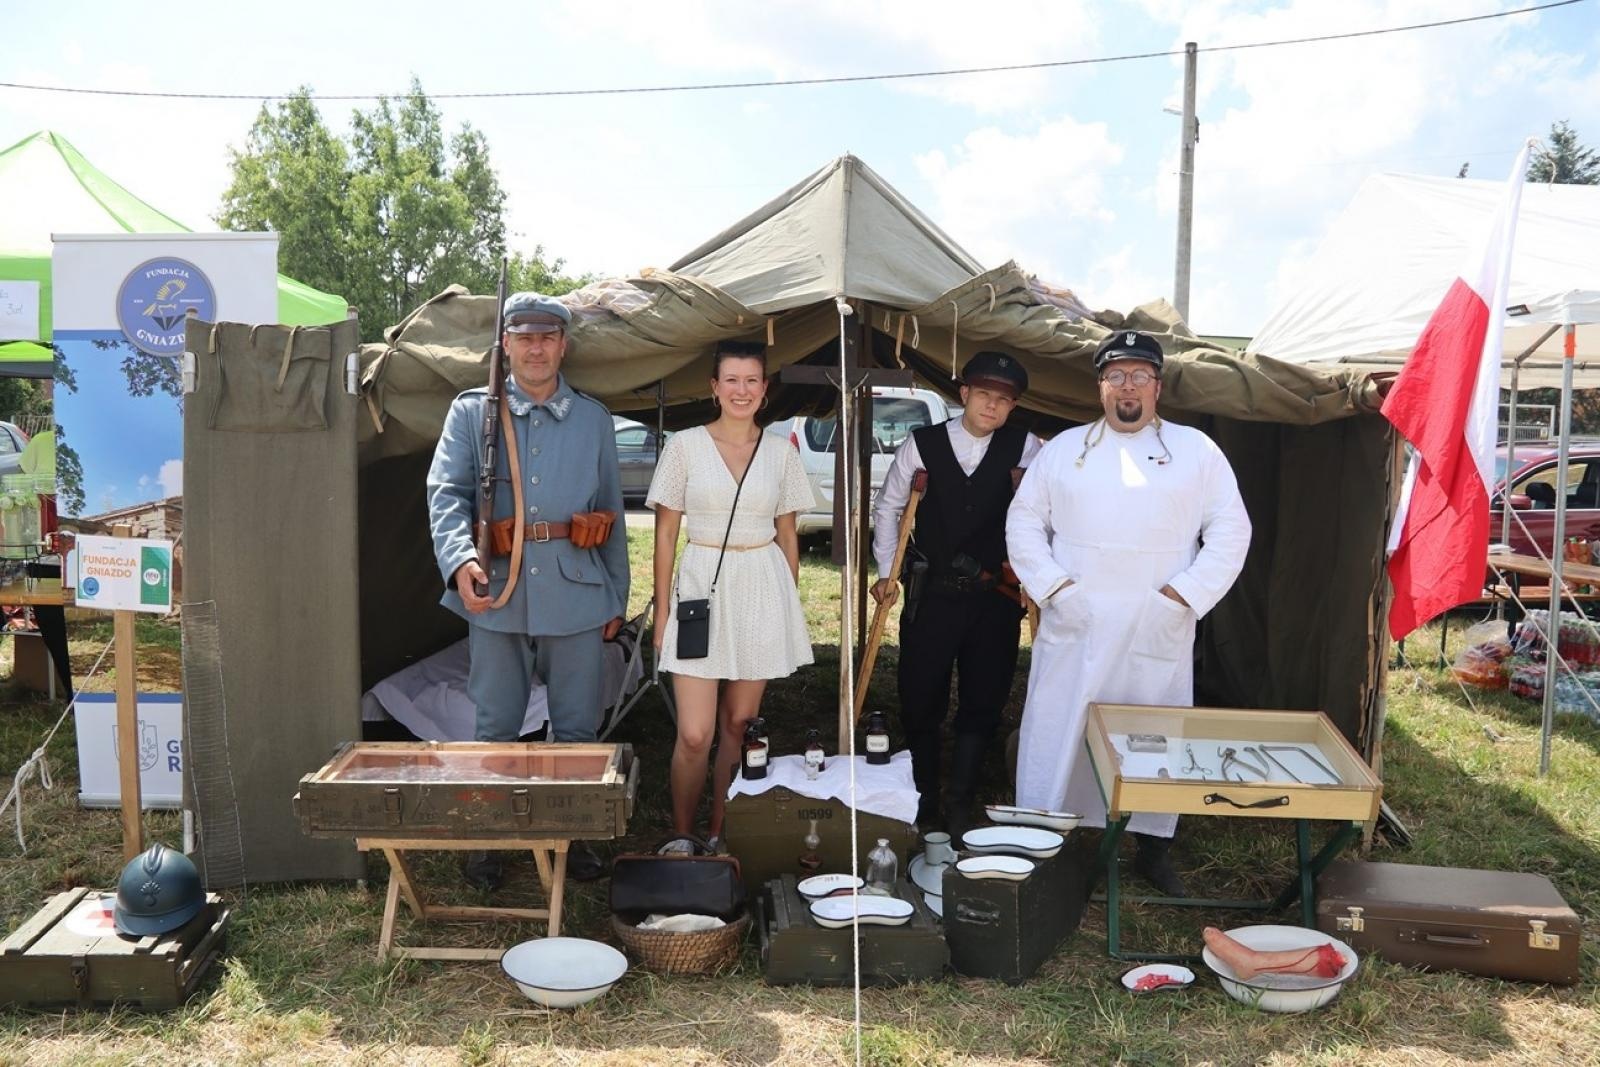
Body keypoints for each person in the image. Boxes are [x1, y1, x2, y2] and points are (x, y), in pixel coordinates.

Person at [1006, 330, 1250, 896]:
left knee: (1152, 732)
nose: (1128, 386)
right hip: (1078, 616)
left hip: (1154, 616)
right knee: (1058, 722)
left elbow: (1231, 529)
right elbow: (1024, 523)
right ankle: (1046, 838)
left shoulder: (1197, 451)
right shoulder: (1064, 449)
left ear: (1158, 387)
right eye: (1117, 376)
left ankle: (1152, 847)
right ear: (1100, 387)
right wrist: (1054, 587)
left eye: (1140, 376)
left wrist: (1186, 594)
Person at [427, 291, 629, 889]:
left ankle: (573, 839)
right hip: (499, 590)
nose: (536, 347)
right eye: (524, 336)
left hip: (575, 589)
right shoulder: (471, 412)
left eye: (547, 337)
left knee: (575, 728)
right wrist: (460, 559)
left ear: (563, 345)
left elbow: (610, 509)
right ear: (506, 344)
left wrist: (615, 596)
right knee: (495, 724)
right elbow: (446, 493)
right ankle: (490, 839)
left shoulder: (593, 418)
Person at [648, 341, 815, 851]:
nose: (741, 390)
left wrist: (788, 602)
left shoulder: (781, 452)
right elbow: (664, 535)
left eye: (752, 381)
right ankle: (682, 834)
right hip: (701, 585)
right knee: (695, 732)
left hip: (762, 585)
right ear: (714, 388)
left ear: (764, 391)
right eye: (732, 380)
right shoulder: (684, 446)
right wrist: (661, 613)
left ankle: (720, 829)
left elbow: (788, 535)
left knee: (739, 724)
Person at [869, 351, 1043, 835]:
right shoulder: (922, 444)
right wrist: (888, 571)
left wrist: (1035, 577)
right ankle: (923, 794)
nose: (992, 406)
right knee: (920, 693)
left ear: (1012, 407)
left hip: (995, 599)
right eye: (984, 394)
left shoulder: (1027, 448)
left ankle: (960, 799)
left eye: (1004, 400)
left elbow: (1045, 513)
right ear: (964, 394)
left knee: (984, 696)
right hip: (934, 594)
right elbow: (889, 508)